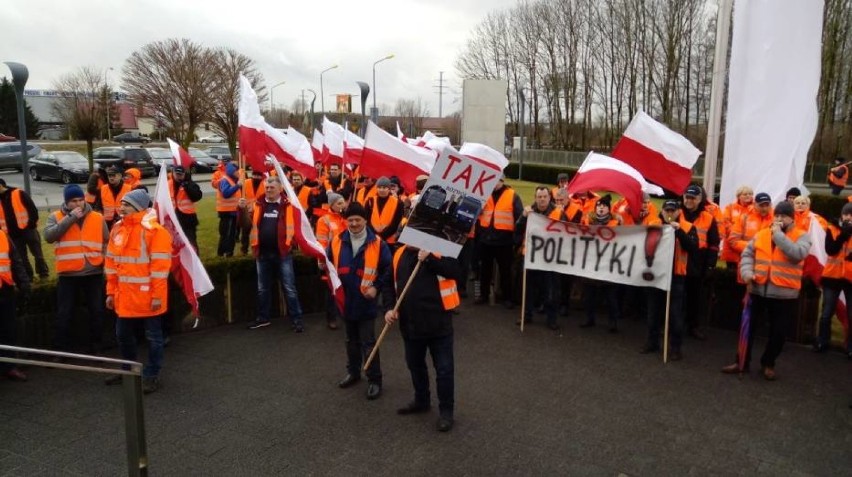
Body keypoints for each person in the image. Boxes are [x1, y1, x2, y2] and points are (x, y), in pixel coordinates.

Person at [722, 201, 811, 379]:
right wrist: (747, 273)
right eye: (777, 215)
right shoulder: (762, 234)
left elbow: (797, 254)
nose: (779, 219)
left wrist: (778, 236)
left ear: (791, 218)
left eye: (783, 216)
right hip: (757, 289)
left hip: (784, 293)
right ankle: (742, 362)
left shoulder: (802, 235)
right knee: (747, 328)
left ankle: (768, 363)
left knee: (778, 332)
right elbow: (748, 254)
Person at [384, 245, 461, 432]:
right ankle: (421, 400)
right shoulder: (400, 253)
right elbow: (388, 283)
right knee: (415, 365)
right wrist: (389, 307)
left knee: (444, 370)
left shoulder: (442, 250)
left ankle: (446, 411)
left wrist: (430, 259)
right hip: (410, 324)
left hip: (438, 323)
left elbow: (456, 271)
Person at [104, 189, 171, 394]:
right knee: (123, 336)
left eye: (126, 204)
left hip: (148, 297)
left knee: (153, 338)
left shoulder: (156, 232)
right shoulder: (117, 228)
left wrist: (157, 297)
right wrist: (110, 292)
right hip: (124, 297)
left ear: (139, 207)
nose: (121, 207)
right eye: (122, 203)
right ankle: (129, 371)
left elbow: (160, 271)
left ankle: (151, 375)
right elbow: (112, 265)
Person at [326, 202, 391, 400]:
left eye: (357, 220)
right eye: (350, 220)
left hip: (366, 301)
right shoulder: (337, 241)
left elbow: (387, 270)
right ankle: (353, 372)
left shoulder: (378, 243)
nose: (353, 224)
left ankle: (374, 379)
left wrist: (376, 287)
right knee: (350, 340)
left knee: (368, 342)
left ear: (365, 221)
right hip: (345, 300)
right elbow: (329, 263)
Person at [43, 184, 109, 356]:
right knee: (64, 313)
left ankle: (97, 346)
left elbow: (106, 242)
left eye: (81, 199)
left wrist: (105, 263)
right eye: (74, 201)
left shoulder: (97, 217)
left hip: (93, 272)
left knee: (96, 310)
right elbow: (49, 237)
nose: (79, 203)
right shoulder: (55, 216)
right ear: (66, 202)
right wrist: (70, 218)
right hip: (68, 273)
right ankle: (60, 350)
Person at [245, 176, 305, 332]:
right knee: (262, 288)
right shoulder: (258, 204)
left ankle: (297, 319)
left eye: (272, 188)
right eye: (267, 188)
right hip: (262, 254)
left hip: (282, 253)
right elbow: (246, 225)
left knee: (289, 288)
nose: (268, 190)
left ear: (280, 189)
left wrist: (289, 245)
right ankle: (263, 318)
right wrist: (241, 210)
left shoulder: (288, 205)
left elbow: (297, 227)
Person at [641, 200, 698, 361]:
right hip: (656, 275)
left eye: (673, 211)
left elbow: (693, 248)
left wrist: (679, 232)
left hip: (676, 277)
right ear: (662, 211)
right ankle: (652, 342)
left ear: (679, 211)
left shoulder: (687, 227)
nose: (670, 214)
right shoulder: (653, 224)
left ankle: (675, 348)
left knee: (675, 315)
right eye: (667, 210)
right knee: (652, 312)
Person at [515, 186, 564, 330]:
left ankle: (551, 319)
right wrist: (523, 216)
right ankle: (527, 315)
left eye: (544, 196)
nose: (542, 199)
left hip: (550, 259)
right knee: (528, 290)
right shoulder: (529, 212)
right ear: (535, 198)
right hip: (531, 257)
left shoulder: (558, 212)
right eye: (539, 197)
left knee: (551, 290)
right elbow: (517, 229)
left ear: (550, 198)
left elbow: (568, 232)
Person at [475, 175, 523, 308]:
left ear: (503, 180)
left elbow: (519, 218)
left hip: (504, 241)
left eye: (498, 180)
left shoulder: (513, 195)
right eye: (492, 181)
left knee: (505, 271)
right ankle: (483, 295)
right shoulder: (484, 194)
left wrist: (516, 239)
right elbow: (476, 213)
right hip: (486, 239)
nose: (495, 184)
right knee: (484, 270)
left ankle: (507, 297)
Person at [680, 184, 720, 341]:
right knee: (677, 295)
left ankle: (693, 326)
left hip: (698, 259)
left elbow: (714, 244)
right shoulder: (677, 213)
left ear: (700, 199)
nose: (689, 200)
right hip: (678, 258)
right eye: (687, 197)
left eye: (693, 198)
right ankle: (674, 324)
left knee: (694, 296)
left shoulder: (708, 218)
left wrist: (711, 265)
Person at [814, 202, 852, 358]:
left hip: (850, 279)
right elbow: (830, 250)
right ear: (842, 215)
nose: (849, 217)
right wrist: (844, 235)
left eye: (851, 214)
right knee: (826, 312)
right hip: (832, 277)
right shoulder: (832, 228)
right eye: (846, 214)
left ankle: (850, 346)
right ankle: (823, 341)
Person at [579, 194, 622, 332]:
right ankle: (589, 318)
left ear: (609, 209)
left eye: (604, 206)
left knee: (610, 297)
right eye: (599, 206)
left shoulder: (616, 223)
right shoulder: (587, 221)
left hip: (608, 265)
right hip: (591, 263)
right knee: (589, 295)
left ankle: (613, 322)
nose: (601, 208)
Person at [0, 178, 49, 281]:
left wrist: (31, 223)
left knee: (38, 254)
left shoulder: (18, 193)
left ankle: (43, 273)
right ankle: (29, 277)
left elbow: (32, 209)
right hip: (12, 234)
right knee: (21, 258)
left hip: (28, 229)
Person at [0, 227, 31, 382]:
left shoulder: (2, 235)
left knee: (9, 330)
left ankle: (9, 367)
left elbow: (15, 260)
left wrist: (24, 283)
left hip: (5, 290)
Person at [316, 193, 348, 330]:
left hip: (346, 257)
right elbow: (321, 241)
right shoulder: (324, 220)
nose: (342, 206)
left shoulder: (347, 218)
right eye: (339, 203)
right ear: (332, 205)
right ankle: (331, 318)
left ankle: (345, 314)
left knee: (346, 286)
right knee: (331, 290)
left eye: (343, 202)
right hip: (331, 259)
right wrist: (322, 259)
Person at [168, 166, 203, 251]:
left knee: (191, 241)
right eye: (177, 174)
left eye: (180, 174)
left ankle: (194, 260)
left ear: (184, 174)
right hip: (173, 218)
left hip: (188, 219)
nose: (178, 176)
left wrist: (186, 186)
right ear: (173, 173)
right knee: (175, 242)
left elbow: (196, 197)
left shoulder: (190, 184)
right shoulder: (168, 184)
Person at [720, 186, 754, 269]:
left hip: (748, 245)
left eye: (750, 194)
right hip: (731, 245)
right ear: (738, 196)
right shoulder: (730, 207)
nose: (748, 196)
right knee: (732, 272)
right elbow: (725, 222)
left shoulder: (755, 208)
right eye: (745, 194)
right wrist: (736, 232)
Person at [366, 176, 404, 248]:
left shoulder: (398, 203)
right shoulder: (370, 201)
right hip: (372, 238)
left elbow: (396, 223)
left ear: (389, 189)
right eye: (379, 187)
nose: (381, 190)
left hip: (389, 241)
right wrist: (374, 235)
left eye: (384, 187)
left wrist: (382, 236)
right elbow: (366, 220)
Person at [216, 162, 243, 257]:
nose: (238, 173)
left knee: (231, 234)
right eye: (236, 171)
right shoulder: (225, 180)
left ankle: (229, 252)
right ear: (232, 171)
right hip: (226, 212)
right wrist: (237, 186)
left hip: (233, 211)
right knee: (226, 234)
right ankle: (222, 253)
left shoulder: (233, 179)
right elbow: (226, 193)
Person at [239, 169, 266, 256]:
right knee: (245, 231)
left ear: (261, 177)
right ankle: (244, 249)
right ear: (252, 175)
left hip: (259, 212)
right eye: (255, 175)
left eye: (258, 176)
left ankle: (259, 249)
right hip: (247, 211)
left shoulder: (265, 185)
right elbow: (240, 195)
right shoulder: (245, 183)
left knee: (259, 232)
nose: (256, 177)